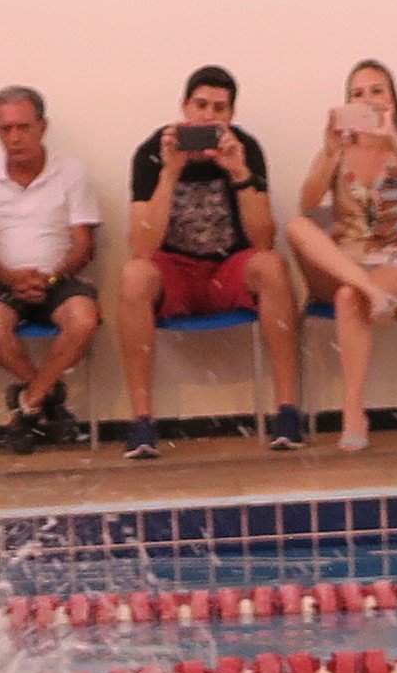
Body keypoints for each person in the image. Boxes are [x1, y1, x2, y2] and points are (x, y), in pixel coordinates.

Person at [116, 66, 305, 458]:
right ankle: (141, 421)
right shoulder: (153, 151)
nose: (208, 116)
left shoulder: (244, 148)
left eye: (219, 108)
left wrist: (239, 172)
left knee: (272, 265)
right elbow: (141, 246)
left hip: (227, 271)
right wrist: (170, 173)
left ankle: (287, 411)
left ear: (231, 115)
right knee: (133, 275)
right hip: (173, 272)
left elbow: (263, 240)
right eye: (200, 105)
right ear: (184, 107)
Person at [283, 61, 397, 453]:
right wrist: (331, 151)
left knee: (349, 298)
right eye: (358, 93)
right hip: (345, 262)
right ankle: (371, 292)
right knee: (297, 227)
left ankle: (353, 413)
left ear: (393, 100)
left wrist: (390, 136)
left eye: (377, 91)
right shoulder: (337, 152)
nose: (367, 99)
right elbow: (309, 201)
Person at [0, 86, 103, 453]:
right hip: (2, 281)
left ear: (43, 127)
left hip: (60, 278)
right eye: (5, 129)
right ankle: (48, 397)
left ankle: (26, 408)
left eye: (23, 127)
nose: (14, 137)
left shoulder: (71, 172)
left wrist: (50, 278)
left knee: (84, 320)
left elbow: (84, 246)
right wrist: (13, 280)